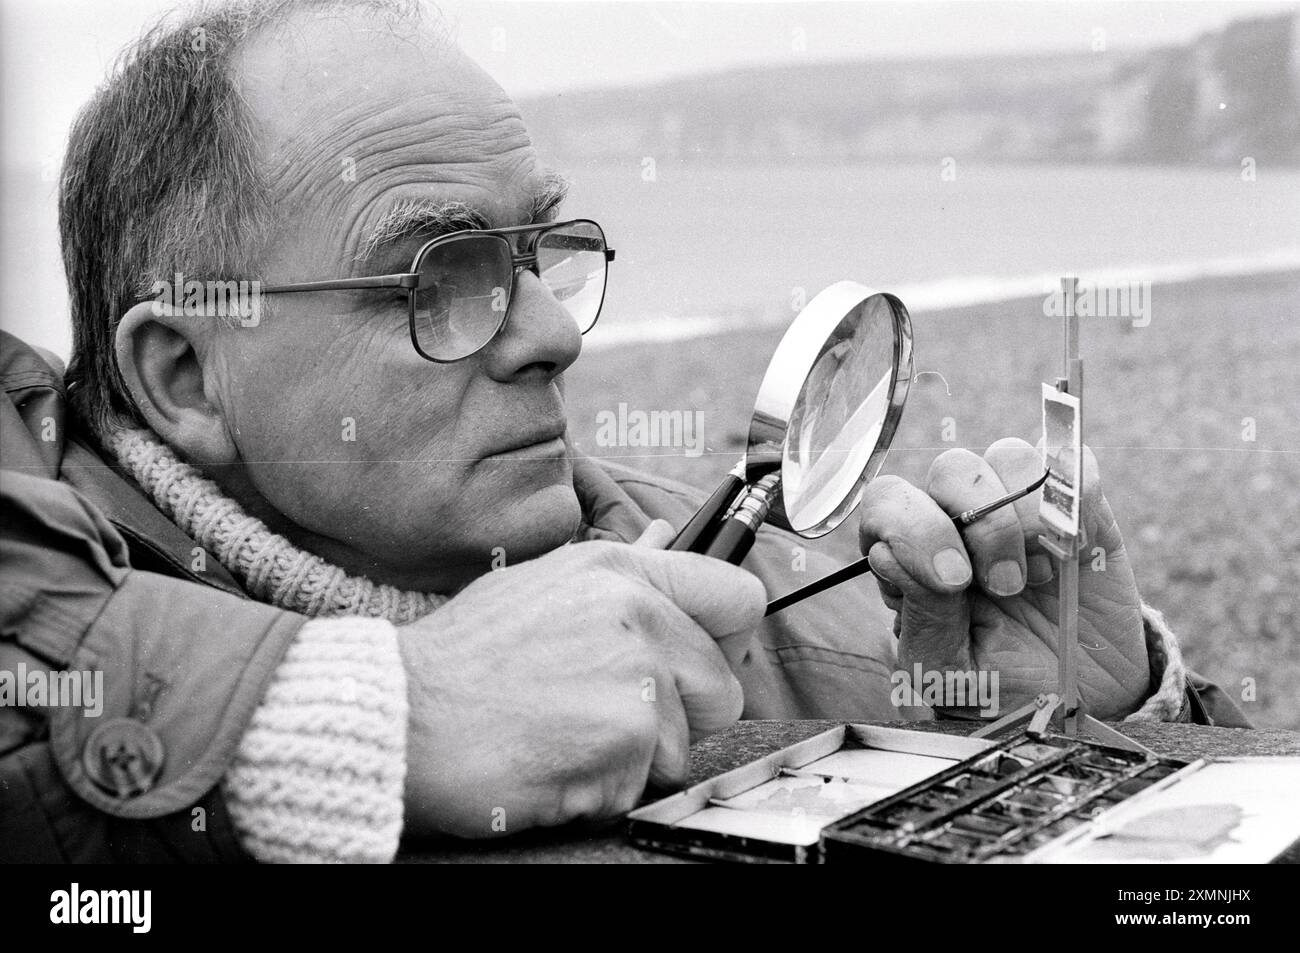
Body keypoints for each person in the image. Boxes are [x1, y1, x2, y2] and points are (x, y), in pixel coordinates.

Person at [0, 0, 1247, 864]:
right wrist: (389, 710)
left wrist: (1095, 738)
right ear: (185, 373)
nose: (554, 331)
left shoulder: (770, 586)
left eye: (543, 250)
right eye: (443, 273)